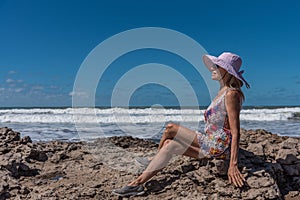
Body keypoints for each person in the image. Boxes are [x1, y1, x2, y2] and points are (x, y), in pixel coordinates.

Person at [112, 52, 250, 197]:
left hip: (218, 146)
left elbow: (235, 131)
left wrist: (233, 164)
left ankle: (141, 177)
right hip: (210, 142)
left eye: (218, 66)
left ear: (227, 71)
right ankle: (137, 184)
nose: (213, 68)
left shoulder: (231, 94)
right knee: (169, 144)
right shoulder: (222, 92)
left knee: (170, 128)